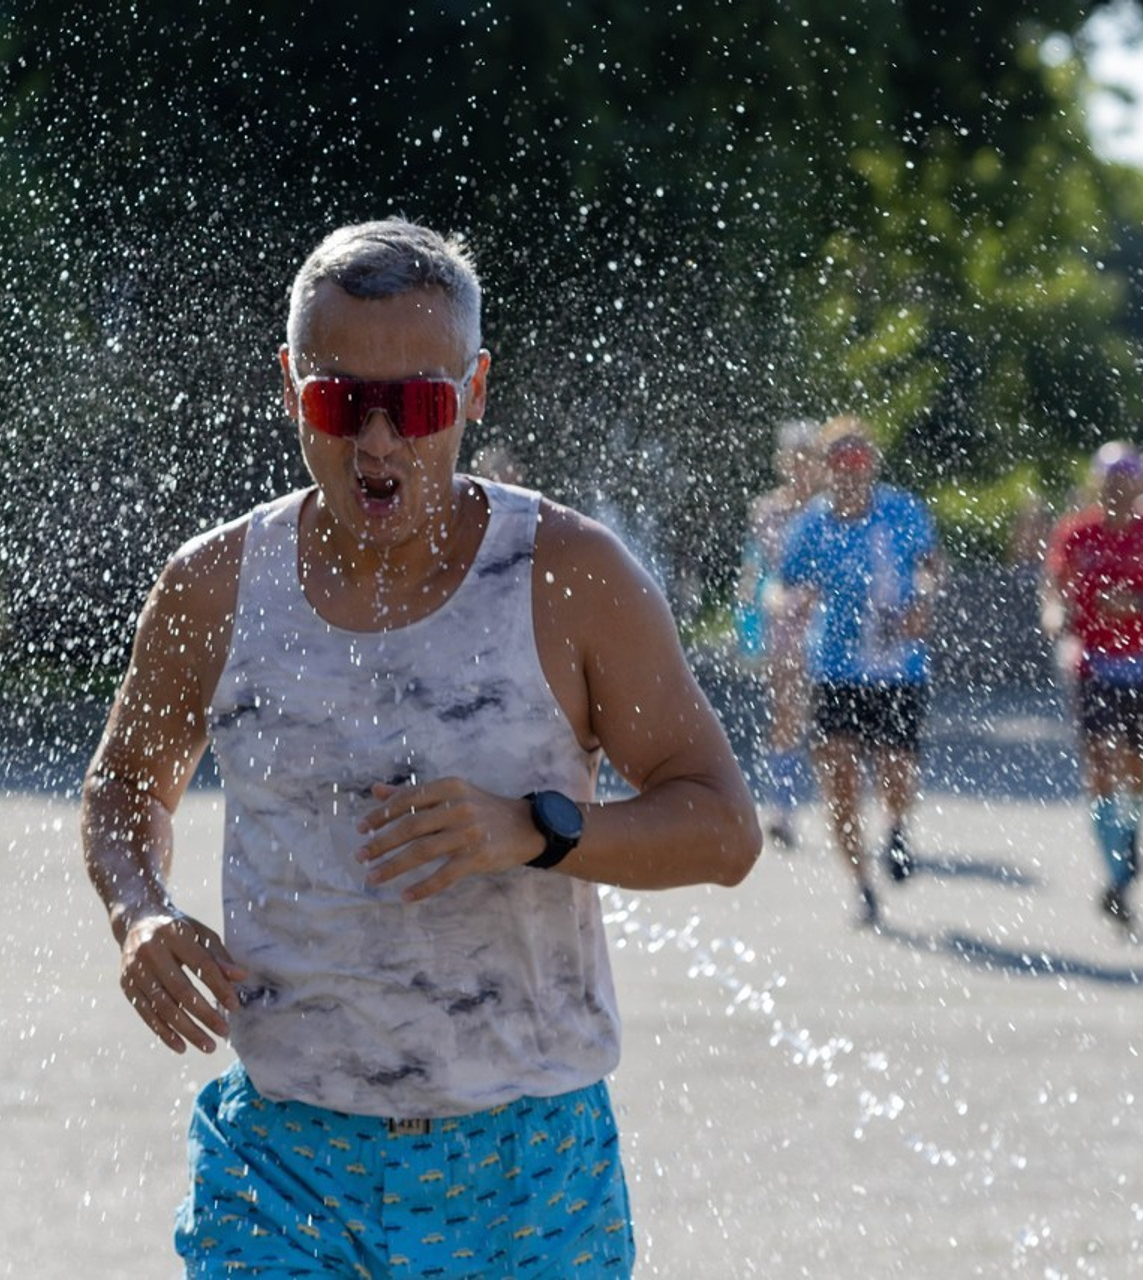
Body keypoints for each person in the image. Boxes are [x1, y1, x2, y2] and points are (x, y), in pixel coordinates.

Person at [81, 217, 762, 1277]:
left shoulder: (568, 577)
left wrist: (533, 829)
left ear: (474, 391)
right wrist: (139, 911)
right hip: (283, 1164)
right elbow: (125, 781)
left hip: (526, 1168)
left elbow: (722, 828)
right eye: (338, 401)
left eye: (418, 404)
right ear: (289, 387)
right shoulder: (212, 586)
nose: (378, 442)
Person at [779, 415, 943, 928]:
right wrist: (791, 603)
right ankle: (862, 885)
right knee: (840, 784)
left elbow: (931, 565)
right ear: (824, 467)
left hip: (897, 667)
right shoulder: (811, 524)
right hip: (834, 666)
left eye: (860, 458)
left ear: (872, 463)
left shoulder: (902, 510)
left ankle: (895, 827)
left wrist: (924, 601)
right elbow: (784, 582)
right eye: (840, 459)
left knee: (896, 769)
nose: (850, 469)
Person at [1042, 440, 1143, 934]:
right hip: (1094, 665)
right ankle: (1118, 873)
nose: (1118, 490)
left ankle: (1128, 845)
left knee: (1136, 769)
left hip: (1140, 667)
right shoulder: (1077, 531)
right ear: (1098, 485)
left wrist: (1134, 605)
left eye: (1127, 480)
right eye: (1110, 482)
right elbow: (1054, 586)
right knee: (1100, 765)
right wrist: (1054, 615)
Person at [735, 419, 823, 848]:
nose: (802, 468)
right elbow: (756, 568)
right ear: (784, 463)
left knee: (828, 720)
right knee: (786, 712)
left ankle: (835, 802)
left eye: (809, 459)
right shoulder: (768, 510)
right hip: (784, 622)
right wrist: (747, 622)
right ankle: (782, 806)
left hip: (828, 624)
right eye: (796, 459)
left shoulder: (829, 510)